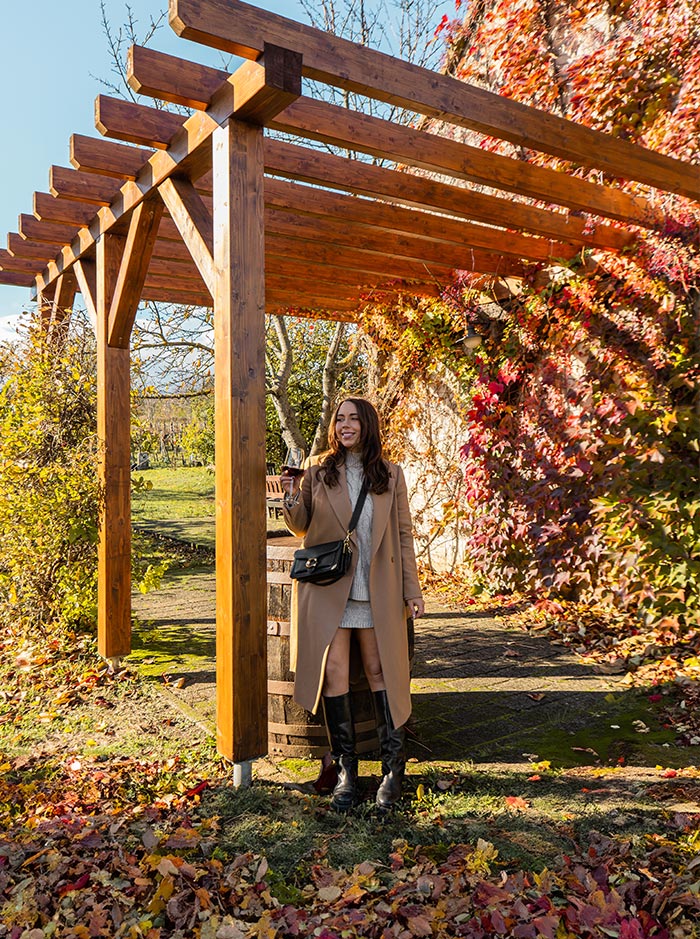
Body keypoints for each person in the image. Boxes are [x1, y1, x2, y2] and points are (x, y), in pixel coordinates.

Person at [281, 397, 424, 811]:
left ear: (367, 425)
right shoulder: (318, 471)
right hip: (330, 588)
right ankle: (346, 773)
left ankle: (392, 771)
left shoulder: (391, 475)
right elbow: (300, 524)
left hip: (377, 589)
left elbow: (403, 534)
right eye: (340, 419)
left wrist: (411, 590)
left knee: (382, 672)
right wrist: (290, 495)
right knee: (335, 674)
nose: (345, 425)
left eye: (354, 419)